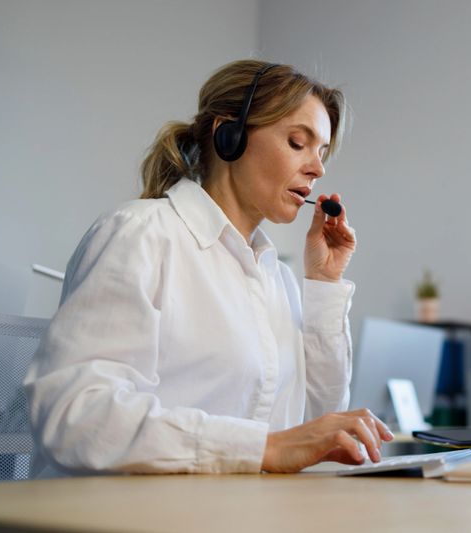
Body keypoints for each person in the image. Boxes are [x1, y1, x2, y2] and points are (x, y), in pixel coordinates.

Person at [23, 60, 392, 477]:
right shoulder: (140, 235)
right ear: (228, 135)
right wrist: (260, 448)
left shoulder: (276, 277)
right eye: (297, 143)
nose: (318, 168)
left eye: (322, 153)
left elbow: (314, 423)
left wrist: (324, 284)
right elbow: (78, 416)